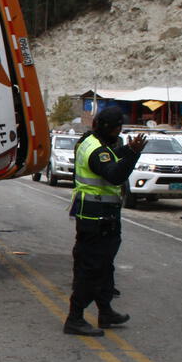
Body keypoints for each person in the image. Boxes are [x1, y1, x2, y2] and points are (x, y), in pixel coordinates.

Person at [63, 106, 147, 337]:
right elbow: (114, 174)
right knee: (90, 268)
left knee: (105, 266)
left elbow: (114, 164)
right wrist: (133, 153)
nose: (120, 131)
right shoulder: (96, 149)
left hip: (105, 215)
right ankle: (75, 317)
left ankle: (105, 311)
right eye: (118, 127)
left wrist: (127, 151)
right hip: (94, 216)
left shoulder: (100, 144)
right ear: (109, 128)